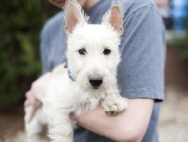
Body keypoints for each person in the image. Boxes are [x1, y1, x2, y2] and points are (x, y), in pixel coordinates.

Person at [25, 0, 166, 141]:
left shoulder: (138, 10)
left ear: (118, 27)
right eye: (82, 51)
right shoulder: (50, 29)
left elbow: (129, 130)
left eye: (106, 51)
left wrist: (55, 99)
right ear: (69, 26)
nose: (95, 71)